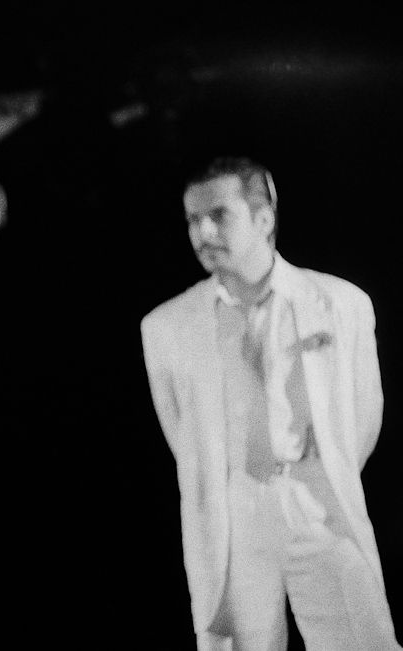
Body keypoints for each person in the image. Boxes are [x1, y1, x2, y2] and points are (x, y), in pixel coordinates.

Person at [141, 157, 399, 650]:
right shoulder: (167, 327)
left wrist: (319, 474)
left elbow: (364, 414)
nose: (202, 232)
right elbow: (180, 432)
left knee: (358, 638)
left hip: (316, 499)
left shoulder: (340, 303)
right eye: (193, 219)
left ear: (263, 219)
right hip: (234, 509)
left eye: (219, 215)